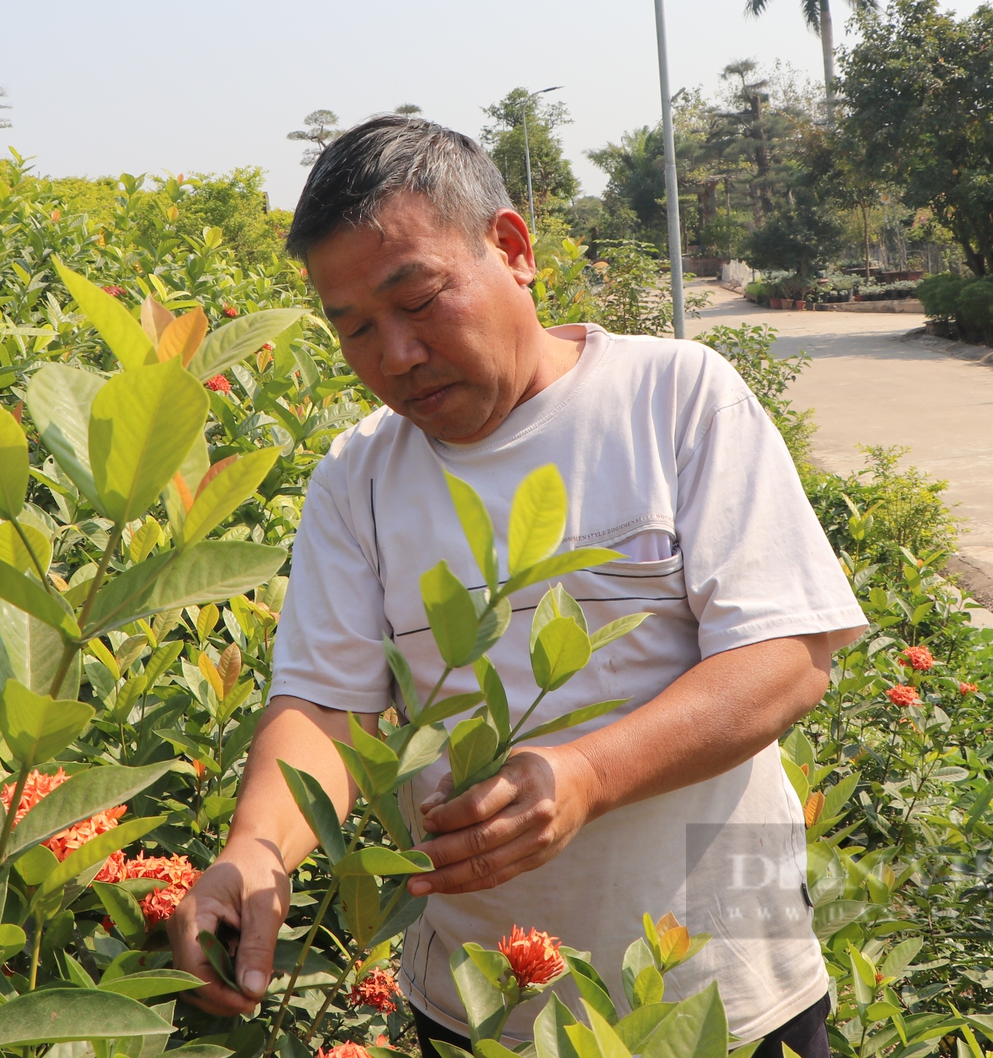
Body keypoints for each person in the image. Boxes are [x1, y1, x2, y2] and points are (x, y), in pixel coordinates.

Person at [169, 115, 866, 1056]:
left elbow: (787, 657)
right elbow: (325, 708)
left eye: (417, 300)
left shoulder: (675, 397)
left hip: (724, 987)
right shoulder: (359, 479)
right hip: (482, 1000)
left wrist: (585, 777)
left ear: (512, 248)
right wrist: (255, 855)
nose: (395, 356)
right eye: (356, 329)